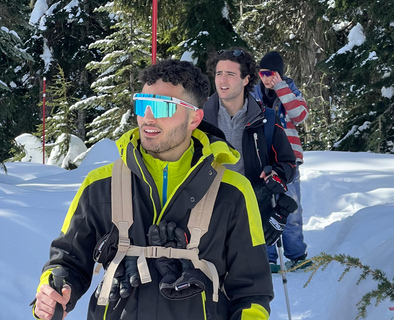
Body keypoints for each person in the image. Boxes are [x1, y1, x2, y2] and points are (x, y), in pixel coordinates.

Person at [32, 59, 274, 320]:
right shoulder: (100, 184)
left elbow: (252, 292)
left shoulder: (233, 191)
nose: (148, 116)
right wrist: (55, 288)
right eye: (142, 103)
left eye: (163, 106)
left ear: (195, 117)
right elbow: (67, 260)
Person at [203, 48, 297, 252]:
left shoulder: (266, 119)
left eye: (230, 74)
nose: (222, 80)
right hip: (206, 214)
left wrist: (277, 174)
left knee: (251, 280)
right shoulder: (199, 120)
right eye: (219, 73)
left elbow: (289, 163)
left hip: (251, 210)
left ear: (246, 80)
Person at [252, 51, 310, 272]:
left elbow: (300, 116)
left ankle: (297, 255)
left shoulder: (291, 92)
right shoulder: (255, 94)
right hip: (262, 160)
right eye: (262, 73)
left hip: (289, 161)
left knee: (291, 209)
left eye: (271, 73)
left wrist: (281, 89)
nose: (266, 78)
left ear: (280, 74)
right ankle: (267, 257)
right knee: (263, 206)